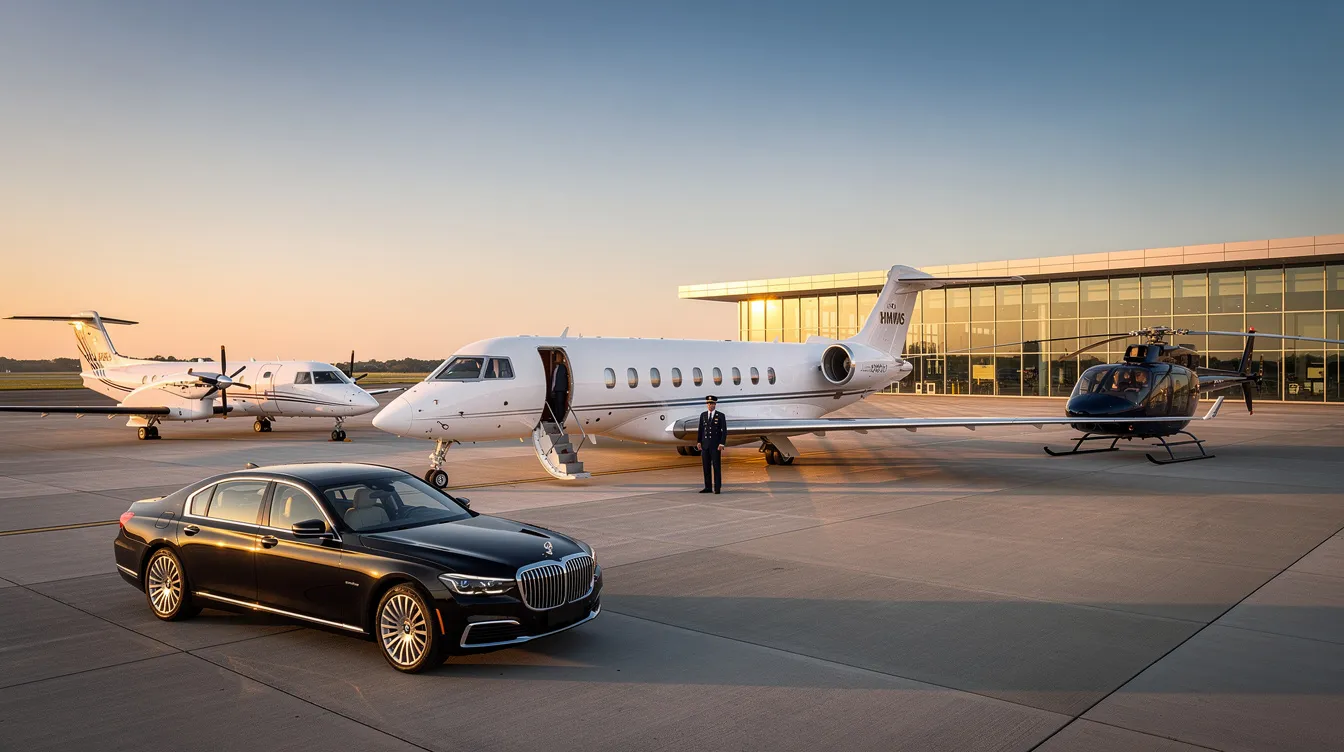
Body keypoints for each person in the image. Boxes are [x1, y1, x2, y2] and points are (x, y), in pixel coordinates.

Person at [696, 395, 727, 494]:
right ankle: (708, 487)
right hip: (705, 445)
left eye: (712, 403)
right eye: (708, 403)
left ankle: (717, 488)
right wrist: (699, 442)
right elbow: (701, 429)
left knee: (716, 467)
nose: (710, 405)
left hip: (715, 446)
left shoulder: (720, 415)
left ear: (715, 404)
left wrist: (722, 443)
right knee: (706, 467)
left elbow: (724, 431)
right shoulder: (703, 415)